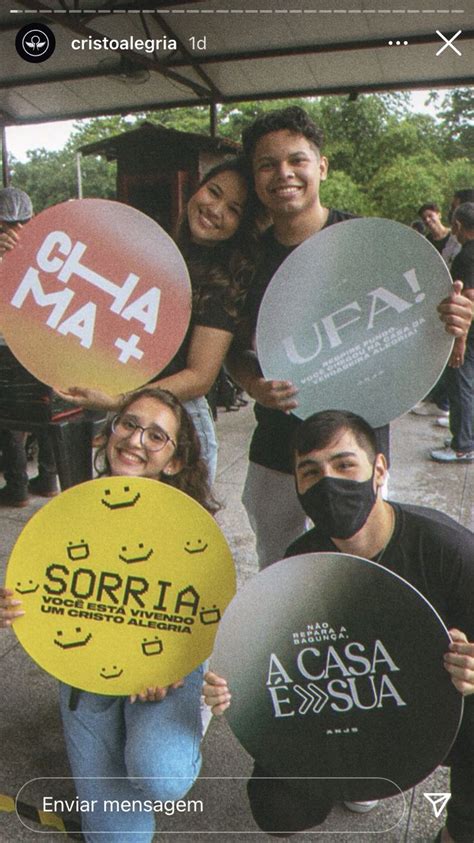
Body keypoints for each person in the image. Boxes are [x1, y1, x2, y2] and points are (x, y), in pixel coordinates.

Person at [204, 409, 474, 843]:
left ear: (380, 469)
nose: (328, 482)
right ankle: (351, 776)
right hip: (355, 703)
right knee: (278, 806)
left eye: (345, 464)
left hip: (434, 704)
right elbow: (275, 659)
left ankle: (460, 828)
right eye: (310, 472)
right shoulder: (300, 563)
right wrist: (232, 688)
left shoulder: (448, 549)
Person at [226, 105, 474, 569]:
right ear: (256, 178)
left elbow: (430, 342)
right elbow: (233, 350)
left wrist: (453, 322)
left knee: (365, 563)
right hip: (277, 443)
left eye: (297, 160)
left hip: (358, 442)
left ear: (321, 166)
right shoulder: (246, 259)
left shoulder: (372, 244)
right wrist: (252, 383)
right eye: (267, 164)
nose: (284, 173)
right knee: (279, 568)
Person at [0, 386, 218, 842]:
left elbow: (207, 616)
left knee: (161, 776)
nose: (136, 440)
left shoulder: (193, 530)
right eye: (129, 424)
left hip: (163, 674)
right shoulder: (70, 514)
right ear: (109, 432)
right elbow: (40, 595)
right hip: (87, 671)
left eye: (156, 436)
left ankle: (183, 720)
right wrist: (13, 607)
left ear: (175, 460)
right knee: (117, 840)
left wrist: (178, 666)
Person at [26, 157, 258, 484]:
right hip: (134, 416)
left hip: (178, 425)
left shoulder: (224, 282)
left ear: (242, 226)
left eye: (234, 209)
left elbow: (200, 377)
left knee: (170, 530)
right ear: (197, 188)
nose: (216, 209)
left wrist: (120, 400)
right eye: (214, 192)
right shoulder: (160, 252)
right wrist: (22, 253)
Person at [0, 187, 58, 505]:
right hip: (36, 345)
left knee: (14, 416)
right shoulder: (45, 249)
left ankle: (22, 484)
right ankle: (42, 480)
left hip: (20, 346)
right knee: (41, 412)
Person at [431, 203, 474, 463]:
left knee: (460, 386)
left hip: (468, 334)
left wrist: (459, 342)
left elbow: (468, 298)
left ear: (457, 225)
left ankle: (463, 445)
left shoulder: (466, 256)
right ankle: (464, 434)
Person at [418, 202, 460, 267]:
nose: (427, 220)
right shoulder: (426, 241)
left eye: (430, 216)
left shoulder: (454, 235)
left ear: (439, 215)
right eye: (424, 219)